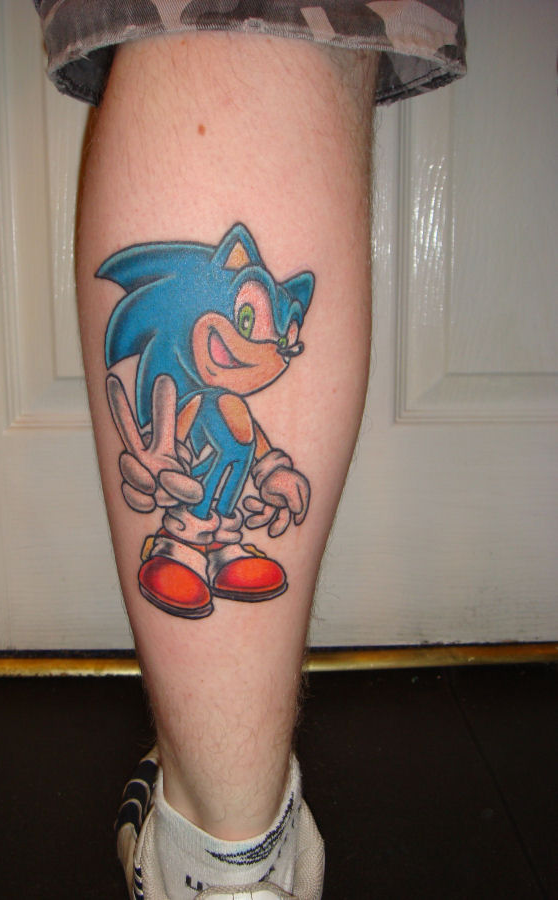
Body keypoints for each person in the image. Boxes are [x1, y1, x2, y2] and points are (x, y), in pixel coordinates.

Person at [33, 3, 466, 898]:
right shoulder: (178, 392)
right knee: (262, 16)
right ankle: (230, 851)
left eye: (274, 338)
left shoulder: (232, 405)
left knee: (224, 17)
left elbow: (257, 441)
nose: (260, 350)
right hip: (187, 514)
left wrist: (269, 469)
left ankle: (219, 855)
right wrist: (160, 467)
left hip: (225, 518)